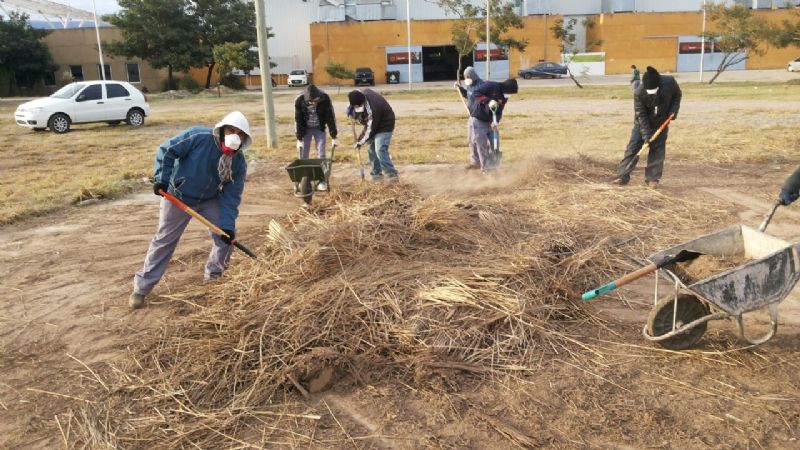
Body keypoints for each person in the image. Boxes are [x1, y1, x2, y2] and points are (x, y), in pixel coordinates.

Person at [129, 111, 252, 309]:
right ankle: (141, 288)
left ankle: (213, 279)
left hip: (209, 199)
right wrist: (162, 178)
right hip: (177, 196)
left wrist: (227, 226)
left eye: (239, 133)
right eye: (230, 130)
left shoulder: (237, 162)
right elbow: (167, 150)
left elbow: (231, 197)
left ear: (244, 139)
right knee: (164, 240)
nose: (234, 136)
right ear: (221, 131)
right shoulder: (199, 137)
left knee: (225, 238)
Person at [613, 66, 681, 189]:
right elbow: (641, 114)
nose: (651, 93)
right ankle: (622, 175)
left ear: (659, 84)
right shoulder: (639, 92)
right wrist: (646, 134)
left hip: (661, 122)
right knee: (633, 148)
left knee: (657, 150)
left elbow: (677, 95)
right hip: (642, 123)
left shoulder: (669, 82)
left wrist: (673, 110)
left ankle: (652, 179)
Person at [347, 89, 398, 181]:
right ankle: (376, 174)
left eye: (359, 106)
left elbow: (370, 129)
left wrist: (360, 142)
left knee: (380, 149)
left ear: (363, 102)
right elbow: (353, 98)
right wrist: (351, 110)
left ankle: (391, 175)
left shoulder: (373, 108)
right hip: (373, 124)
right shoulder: (357, 96)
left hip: (385, 124)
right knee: (371, 149)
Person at [294, 84, 338, 191]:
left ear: (318, 97)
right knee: (303, 155)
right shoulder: (299, 100)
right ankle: (303, 180)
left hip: (319, 128)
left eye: (315, 101)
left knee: (321, 155)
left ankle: (321, 181)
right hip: (305, 130)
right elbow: (298, 119)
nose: (313, 103)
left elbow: (330, 117)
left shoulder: (325, 98)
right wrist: (299, 138)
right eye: (310, 102)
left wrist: (334, 136)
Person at [465, 74, 507, 173]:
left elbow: (500, 110)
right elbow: (476, 94)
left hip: (491, 122)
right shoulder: (488, 86)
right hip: (478, 120)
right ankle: (486, 169)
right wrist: (488, 101)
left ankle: (494, 166)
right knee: (481, 146)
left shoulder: (504, 95)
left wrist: (496, 121)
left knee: (495, 145)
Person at [457, 66, 484, 170]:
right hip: (471, 116)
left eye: (467, 76)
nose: (466, 78)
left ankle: (485, 163)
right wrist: (460, 89)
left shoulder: (481, 85)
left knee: (479, 141)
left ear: (472, 75)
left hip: (480, 117)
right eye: (464, 77)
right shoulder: (469, 86)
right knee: (470, 140)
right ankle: (475, 162)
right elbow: (468, 96)